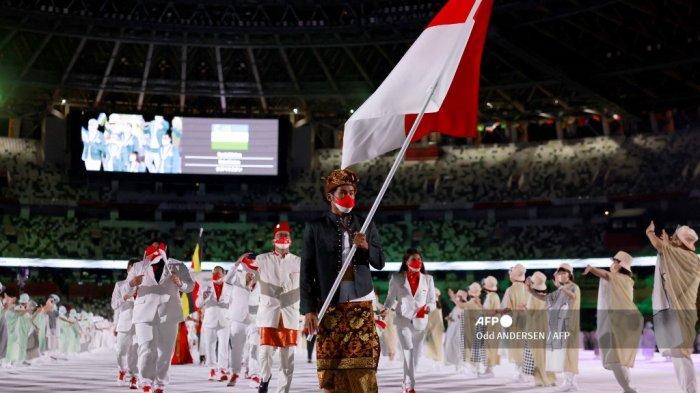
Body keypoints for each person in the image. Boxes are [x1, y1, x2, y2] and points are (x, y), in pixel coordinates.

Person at [301, 169, 385, 393]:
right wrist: (309, 309)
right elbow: (306, 270)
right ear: (330, 196)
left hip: (361, 299)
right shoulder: (315, 227)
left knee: (363, 360)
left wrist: (366, 246)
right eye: (343, 192)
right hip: (330, 302)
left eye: (352, 192)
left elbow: (380, 261)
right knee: (332, 362)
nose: (349, 196)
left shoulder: (365, 223)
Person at [234, 222, 300, 393]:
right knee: (264, 354)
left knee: (287, 360)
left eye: (286, 235)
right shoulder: (262, 259)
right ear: (273, 240)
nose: (283, 238)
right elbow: (249, 274)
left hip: (289, 314)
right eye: (280, 235)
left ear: (291, 240)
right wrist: (242, 267)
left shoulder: (298, 262)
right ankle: (265, 378)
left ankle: (282, 391)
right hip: (269, 313)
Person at [126, 241, 194, 393]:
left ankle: (160, 384)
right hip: (144, 312)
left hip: (169, 312)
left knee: (165, 351)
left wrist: (181, 283)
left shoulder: (177, 266)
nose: (156, 250)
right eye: (153, 247)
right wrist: (132, 283)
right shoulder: (139, 266)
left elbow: (190, 285)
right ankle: (146, 382)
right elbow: (124, 288)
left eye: (159, 247)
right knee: (146, 348)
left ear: (165, 249)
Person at [646, 222, 700, 393]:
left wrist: (649, 233)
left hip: (682, 313)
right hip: (678, 311)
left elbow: (659, 246)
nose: (673, 240)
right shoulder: (685, 256)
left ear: (683, 242)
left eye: (676, 238)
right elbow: (665, 253)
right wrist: (668, 246)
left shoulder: (687, 257)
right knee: (678, 355)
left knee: (682, 355)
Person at [584, 251, 643, 393]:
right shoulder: (626, 280)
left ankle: (627, 388)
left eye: (616, 261)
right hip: (624, 320)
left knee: (614, 357)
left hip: (619, 321)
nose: (613, 264)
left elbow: (604, 274)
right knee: (619, 357)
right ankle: (627, 387)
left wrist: (592, 269)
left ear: (621, 265)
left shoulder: (619, 278)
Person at [383, 249, 436, 393]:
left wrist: (426, 309)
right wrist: (385, 308)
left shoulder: (428, 279)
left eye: (419, 258)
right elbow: (390, 298)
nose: (417, 261)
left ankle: (405, 382)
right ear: (406, 261)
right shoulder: (396, 278)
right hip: (402, 320)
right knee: (408, 351)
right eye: (413, 259)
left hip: (421, 321)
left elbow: (433, 302)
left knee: (416, 355)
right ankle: (410, 385)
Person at [529, 263, 581, 391]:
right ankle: (570, 382)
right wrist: (530, 291)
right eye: (559, 273)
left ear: (570, 275)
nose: (561, 276)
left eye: (564, 273)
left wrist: (561, 288)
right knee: (563, 354)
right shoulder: (559, 290)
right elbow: (546, 298)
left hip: (569, 326)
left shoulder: (573, 287)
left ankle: (570, 382)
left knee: (569, 354)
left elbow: (573, 297)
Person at [223, 262, 261, 387]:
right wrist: (237, 263)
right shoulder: (236, 280)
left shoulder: (261, 285)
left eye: (255, 272)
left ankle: (255, 375)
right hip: (237, 320)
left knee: (254, 347)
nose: (252, 274)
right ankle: (235, 373)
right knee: (237, 350)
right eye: (249, 271)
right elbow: (227, 279)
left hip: (254, 320)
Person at [197, 265, 232, 382]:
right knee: (210, 345)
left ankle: (222, 369)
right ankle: (212, 369)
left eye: (218, 272)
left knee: (223, 346)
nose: (216, 274)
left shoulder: (229, 288)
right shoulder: (206, 287)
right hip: (210, 319)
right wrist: (203, 297)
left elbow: (233, 303)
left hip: (225, 320)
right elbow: (198, 304)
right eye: (214, 272)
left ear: (224, 274)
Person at [112, 258, 140, 389]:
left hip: (140, 323)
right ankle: (122, 370)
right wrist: (124, 298)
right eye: (132, 268)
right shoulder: (120, 285)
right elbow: (114, 305)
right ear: (128, 269)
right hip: (124, 322)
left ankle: (134, 376)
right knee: (120, 352)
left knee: (135, 353)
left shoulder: (145, 286)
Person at [524, 272, 556, 387]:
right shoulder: (546, 297)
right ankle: (550, 378)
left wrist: (524, 309)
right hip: (546, 328)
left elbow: (530, 314)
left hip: (534, 329)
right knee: (546, 354)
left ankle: (541, 379)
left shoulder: (532, 297)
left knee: (537, 355)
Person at [501, 264, 529, 382]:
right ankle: (523, 371)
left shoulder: (510, 290)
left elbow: (506, 308)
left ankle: (519, 372)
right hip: (527, 322)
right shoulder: (528, 289)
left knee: (517, 347)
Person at [444, 289, 466, 369]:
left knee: (458, 345)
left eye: (458, 296)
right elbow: (453, 316)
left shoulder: (464, 305)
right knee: (450, 344)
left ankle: (460, 364)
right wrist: (449, 318)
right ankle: (456, 363)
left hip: (460, 328)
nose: (457, 298)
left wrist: (452, 296)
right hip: (453, 328)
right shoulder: (456, 307)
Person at [423, 288, 444, 363]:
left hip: (434, 328)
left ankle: (437, 358)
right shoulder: (436, 305)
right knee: (433, 343)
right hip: (434, 327)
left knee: (436, 343)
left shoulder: (433, 305)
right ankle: (436, 358)